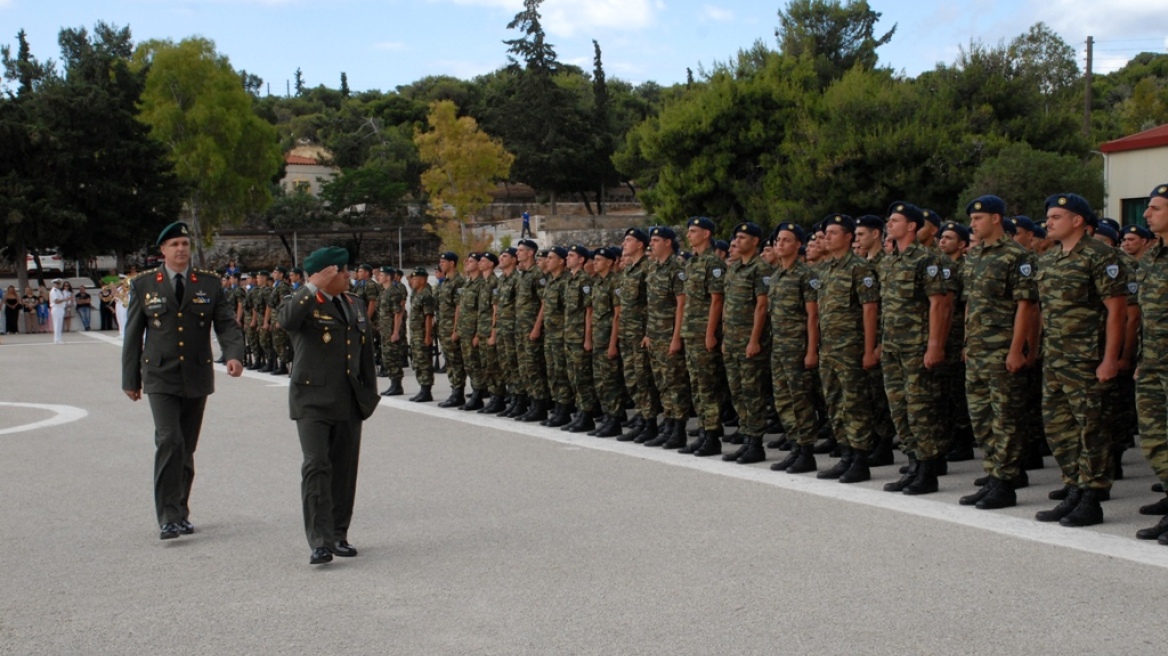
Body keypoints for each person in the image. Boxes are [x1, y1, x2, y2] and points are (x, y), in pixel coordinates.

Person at [122, 222, 245, 540]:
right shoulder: (144, 285)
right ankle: (167, 515)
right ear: (162, 250)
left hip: (196, 373)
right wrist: (130, 378)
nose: (180, 249)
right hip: (160, 375)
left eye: (185, 244)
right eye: (174, 244)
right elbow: (133, 335)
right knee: (169, 440)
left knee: (186, 446)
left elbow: (227, 324)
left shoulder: (209, 284)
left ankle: (180, 509)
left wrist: (234, 354)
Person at [279, 246, 380, 565]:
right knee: (316, 465)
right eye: (343, 271)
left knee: (344, 470)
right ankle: (320, 541)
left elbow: (365, 356)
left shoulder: (355, 304)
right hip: (312, 401)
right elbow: (286, 321)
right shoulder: (302, 302)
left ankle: (338, 533)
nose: (349, 276)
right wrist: (312, 286)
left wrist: (368, 396)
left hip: (347, 399)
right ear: (326, 274)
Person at [1034, 194, 1128, 527]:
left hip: (1088, 360)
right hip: (1056, 360)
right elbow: (1045, 312)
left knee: (1092, 430)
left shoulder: (1101, 257)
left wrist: (1110, 359)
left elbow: (1117, 311)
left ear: (1077, 221)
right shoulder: (1049, 259)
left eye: (1057, 216)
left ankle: (1092, 496)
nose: (1049, 221)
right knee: (1059, 429)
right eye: (1048, 216)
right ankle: (1073, 487)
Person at [877, 202, 953, 495]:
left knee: (920, 409)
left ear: (911, 226)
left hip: (916, 346)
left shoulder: (926, 260)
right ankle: (912, 464)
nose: (889, 224)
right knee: (899, 408)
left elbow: (940, 305)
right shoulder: (889, 261)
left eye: (895, 220)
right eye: (889, 220)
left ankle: (928, 471)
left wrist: (935, 345)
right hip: (893, 347)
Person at [1134, 184, 1168, 544]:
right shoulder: (1152, 257)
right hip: (1154, 362)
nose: (1146, 214)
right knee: (1156, 439)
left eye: (1155, 208)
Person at [407, 267, 437, 402]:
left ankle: (426, 391)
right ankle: (422, 388)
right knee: (418, 361)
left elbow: (429, 317)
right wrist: (411, 278)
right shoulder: (416, 293)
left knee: (424, 362)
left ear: (423, 280)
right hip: (415, 333)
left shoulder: (426, 295)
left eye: (415, 278)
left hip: (422, 333)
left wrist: (428, 336)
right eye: (412, 278)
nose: (412, 281)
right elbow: (409, 282)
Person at [49, 279, 68, 344]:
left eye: (59, 283)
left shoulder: (58, 291)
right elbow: (56, 301)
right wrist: (65, 299)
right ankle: (57, 339)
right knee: (57, 324)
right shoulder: (53, 291)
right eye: (57, 283)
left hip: (60, 308)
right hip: (56, 308)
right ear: (54, 284)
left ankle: (58, 338)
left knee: (59, 324)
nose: (58, 285)